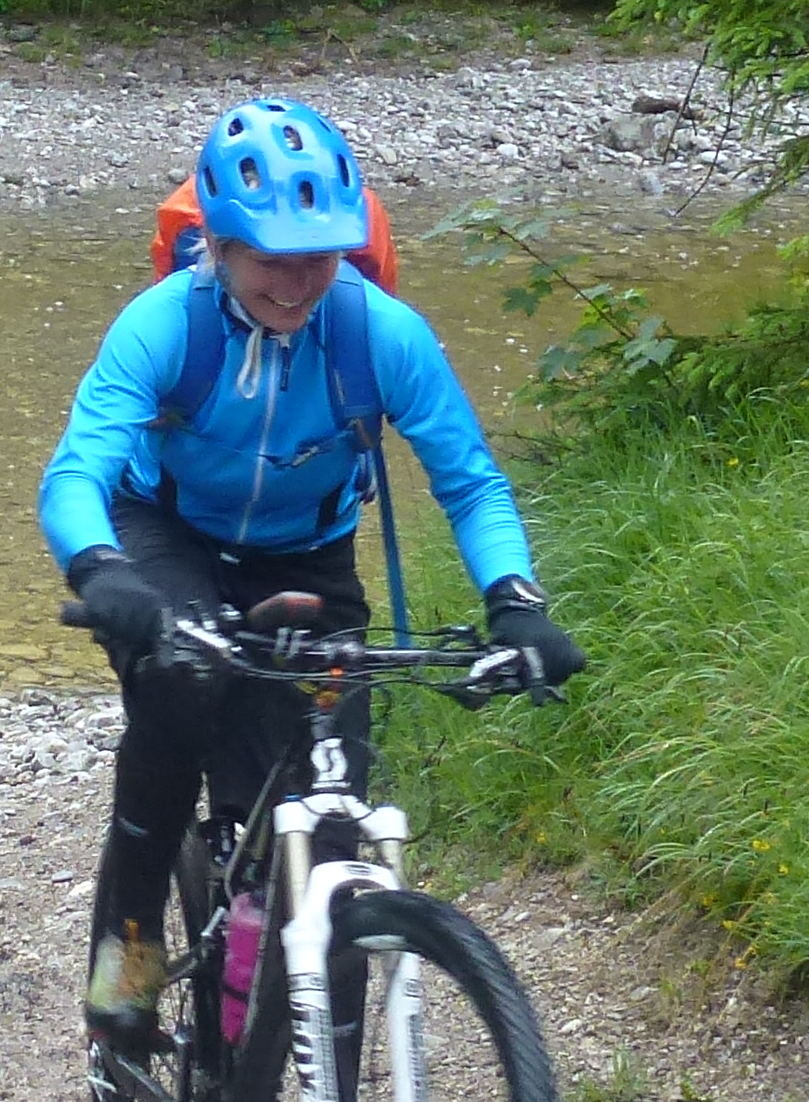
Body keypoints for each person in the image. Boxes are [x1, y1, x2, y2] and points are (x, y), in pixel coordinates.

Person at [39, 97, 585, 1039]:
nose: (296, 286)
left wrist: (515, 600)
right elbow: (75, 474)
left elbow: (470, 483)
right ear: (220, 247)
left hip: (305, 552)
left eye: (319, 259)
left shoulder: (382, 334)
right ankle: (129, 947)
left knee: (329, 813)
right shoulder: (163, 325)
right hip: (166, 532)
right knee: (180, 690)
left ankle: (318, 1055)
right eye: (270, 260)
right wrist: (101, 570)